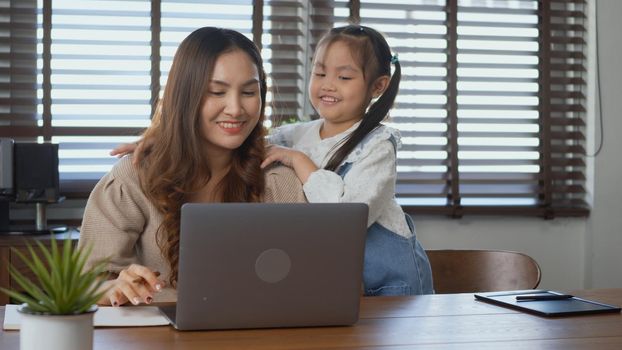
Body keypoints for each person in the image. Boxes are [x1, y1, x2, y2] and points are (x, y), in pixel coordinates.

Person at [79, 27, 305, 307]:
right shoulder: (133, 177)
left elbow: (317, 277)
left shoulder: (279, 180)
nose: (235, 108)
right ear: (185, 96)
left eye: (249, 91)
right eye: (216, 92)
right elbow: (87, 282)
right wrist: (113, 286)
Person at [260, 25, 434, 296]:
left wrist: (299, 161)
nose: (327, 84)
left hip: (390, 287)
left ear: (378, 86)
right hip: (338, 283)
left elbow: (346, 217)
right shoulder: (297, 135)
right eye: (319, 73)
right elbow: (258, 145)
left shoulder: (377, 145)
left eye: (343, 76)